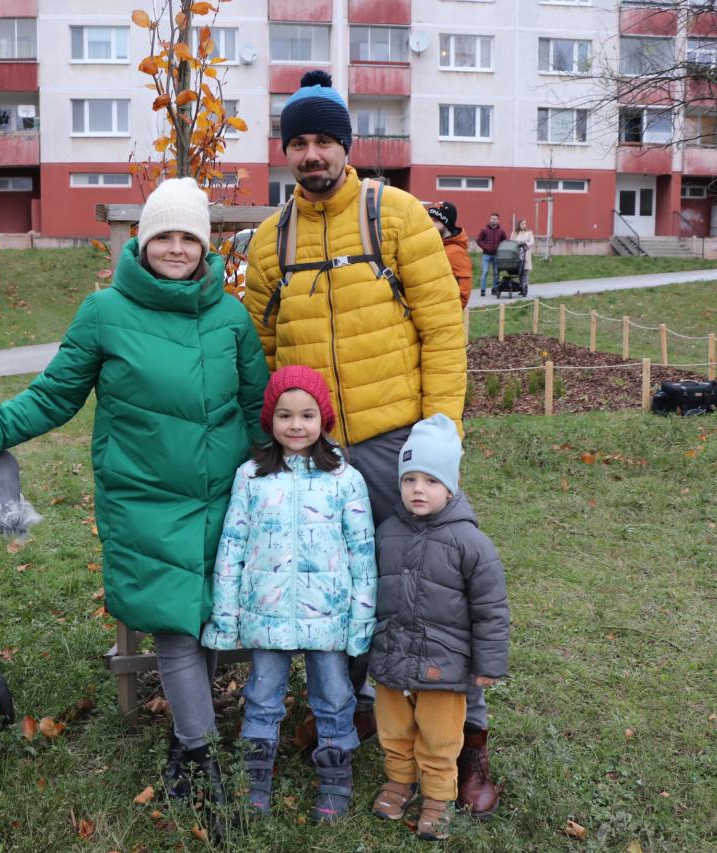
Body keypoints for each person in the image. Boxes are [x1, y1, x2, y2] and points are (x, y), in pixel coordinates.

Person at [0, 177, 269, 805]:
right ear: (142, 242)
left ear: (204, 245)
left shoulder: (231, 318)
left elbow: (256, 409)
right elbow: (53, 394)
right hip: (144, 499)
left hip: (222, 498)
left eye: (188, 237)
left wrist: (279, 479)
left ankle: (184, 744)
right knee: (175, 625)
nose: (175, 248)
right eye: (163, 236)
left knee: (207, 617)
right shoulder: (105, 312)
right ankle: (202, 760)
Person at [242, 68, 467, 756]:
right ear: (286, 151)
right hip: (317, 453)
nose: (312, 154)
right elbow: (259, 352)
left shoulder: (395, 216)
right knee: (339, 587)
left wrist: (440, 431)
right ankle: (364, 707)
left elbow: (442, 329)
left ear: (347, 145)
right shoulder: (269, 241)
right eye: (299, 143)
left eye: (324, 141)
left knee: (434, 586)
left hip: (400, 442)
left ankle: (469, 736)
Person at [201, 365, 377, 823]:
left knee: (334, 696)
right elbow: (232, 547)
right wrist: (226, 615)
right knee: (262, 695)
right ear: (270, 419)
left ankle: (335, 776)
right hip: (267, 614)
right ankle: (255, 778)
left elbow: (362, 554)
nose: (296, 425)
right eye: (285, 415)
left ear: (323, 419)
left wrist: (360, 619)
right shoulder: (251, 476)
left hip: (328, 617)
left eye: (306, 415)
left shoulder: (345, 479)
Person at [367, 414, 510, 839]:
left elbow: (490, 608)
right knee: (394, 728)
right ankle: (399, 781)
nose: (418, 489)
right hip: (393, 655)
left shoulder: (470, 542)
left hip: (443, 664)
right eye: (409, 479)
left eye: (431, 480)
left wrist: (488, 663)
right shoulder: (386, 533)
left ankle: (438, 795)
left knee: (439, 735)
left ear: (451, 485)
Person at [427, 202, 473, 308]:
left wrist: (448, 312)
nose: (431, 223)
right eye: (429, 219)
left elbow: (464, 293)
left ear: (446, 223)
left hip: (443, 314)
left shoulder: (456, 252)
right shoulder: (434, 246)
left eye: (435, 220)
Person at [476, 213, 506, 297]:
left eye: (495, 219)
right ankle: (482, 290)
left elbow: (504, 242)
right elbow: (478, 240)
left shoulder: (501, 231)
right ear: (490, 219)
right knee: (485, 272)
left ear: (498, 220)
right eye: (492, 219)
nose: (493, 220)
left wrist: (500, 249)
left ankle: (494, 289)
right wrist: (485, 247)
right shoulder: (484, 230)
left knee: (496, 273)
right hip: (486, 254)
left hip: (496, 255)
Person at [512, 218, 536, 293]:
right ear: (519, 225)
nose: (524, 225)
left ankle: (525, 288)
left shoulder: (529, 232)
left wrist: (525, 244)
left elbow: (532, 242)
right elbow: (511, 242)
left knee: (525, 272)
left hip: (526, 253)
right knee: (519, 272)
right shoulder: (514, 233)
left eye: (525, 224)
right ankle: (521, 288)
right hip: (517, 254)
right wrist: (517, 245)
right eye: (522, 224)